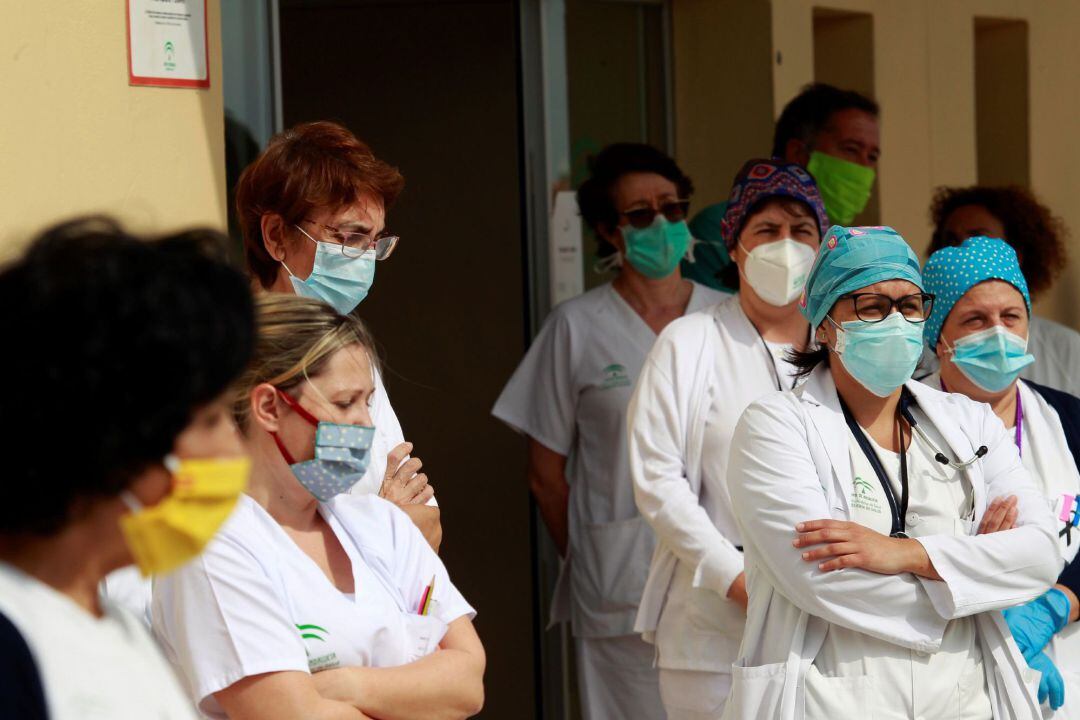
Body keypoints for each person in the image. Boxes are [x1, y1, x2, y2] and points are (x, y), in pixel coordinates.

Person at [723, 224, 1061, 720]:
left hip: (966, 699)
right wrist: (977, 580)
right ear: (824, 324)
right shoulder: (775, 426)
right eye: (872, 306)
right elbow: (819, 579)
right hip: (831, 699)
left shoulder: (969, 421)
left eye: (909, 305)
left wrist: (908, 554)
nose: (896, 321)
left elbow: (1042, 553)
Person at [153, 294, 485, 720]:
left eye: (367, 402)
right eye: (345, 403)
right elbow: (291, 714)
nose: (366, 423)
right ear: (269, 407)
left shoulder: (383, 524)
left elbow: (468, 684)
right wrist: (416, 691)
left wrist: (341, 684)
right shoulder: (210, 545)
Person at [492, 143, 727, 720]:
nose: (661, 224)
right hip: (619, 579)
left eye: (672, 208)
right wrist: (595, 552)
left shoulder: (728, 319)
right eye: (640, 215)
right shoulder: (575, 328)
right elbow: (546, 476)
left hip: (725, 572)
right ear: (608, 230)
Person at [0, 217, 256, 719]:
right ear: (116, 441)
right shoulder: (13, 649)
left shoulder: (114, 624)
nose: (233, 449)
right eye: (210, 420)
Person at [628, 158, 829, 719]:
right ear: (735, 246)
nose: (785, 246)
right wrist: (732, 576)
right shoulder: (689, 342)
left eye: (802, 231)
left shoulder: (842, 349)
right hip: (713, 633)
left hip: (830, 624)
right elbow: (657, 481)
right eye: (766, 230)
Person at [236, 120, 439, 544]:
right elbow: (274, 543)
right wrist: (383, 521)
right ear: (276, 236)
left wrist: (383, 527)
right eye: (350, 237)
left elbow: (428, 527)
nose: (364, 259)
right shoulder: (224, 366)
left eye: (375, 243)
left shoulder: (348, 352)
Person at [922, 236, 1080, 714]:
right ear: (939, 337)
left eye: (1011, 316)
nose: (998, 332)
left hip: (1066, 667)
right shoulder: (900, 423)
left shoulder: (1071, 420)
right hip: (944, 672)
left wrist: (1057, 603)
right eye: (975, 319)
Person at [683, 83, 880, 291]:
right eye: (851, 150)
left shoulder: (848, 248)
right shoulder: (719, 228)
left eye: (872, 157)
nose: (864, 168)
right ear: (798, 154)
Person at [924, 185, 1080, 396]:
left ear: (1016, 254)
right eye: (951, 241)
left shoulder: (1066, 349)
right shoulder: (921, 356)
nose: (964, 249)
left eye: (979, 237)